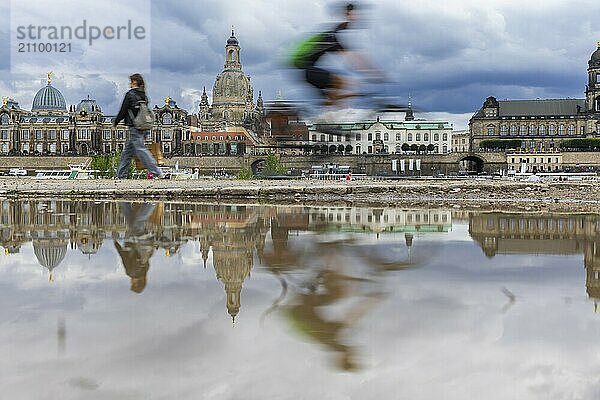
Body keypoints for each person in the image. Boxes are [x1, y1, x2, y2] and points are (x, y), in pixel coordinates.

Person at [292, 3, 380, 107]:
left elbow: (342, 28)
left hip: (307, 74)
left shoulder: (329, 37)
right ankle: (332, 113)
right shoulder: (331, 40)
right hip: (309, 72)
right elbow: (354, 59)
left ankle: (329, 112)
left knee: (334, 96)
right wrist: (374, 74)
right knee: (345, 83)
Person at [114, 73, 162, 179]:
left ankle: (156, 171)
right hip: (144, 126)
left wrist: (116, 121)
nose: (129, 84)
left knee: (141, 149)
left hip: (134, 125)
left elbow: (123, 110)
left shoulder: (130, 94)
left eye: (131, 82)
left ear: (134, 82)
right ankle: (121, 175)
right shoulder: (143, 95)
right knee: (127, 152)